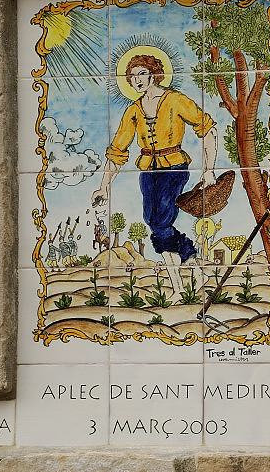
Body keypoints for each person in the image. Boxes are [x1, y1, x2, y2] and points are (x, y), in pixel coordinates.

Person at [92, 53, 217, 300]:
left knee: (160, 220)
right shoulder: (133, 111)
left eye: (141, 73)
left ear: (154, 74)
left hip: (174, 167)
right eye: (132, 76)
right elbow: (118, 151)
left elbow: (207, 128)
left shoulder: (175, 100)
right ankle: (187, 270)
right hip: (148, 170)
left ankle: (184, 275)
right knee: (153, 220)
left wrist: (209, 169)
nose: (137, 80)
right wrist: (103, 187)